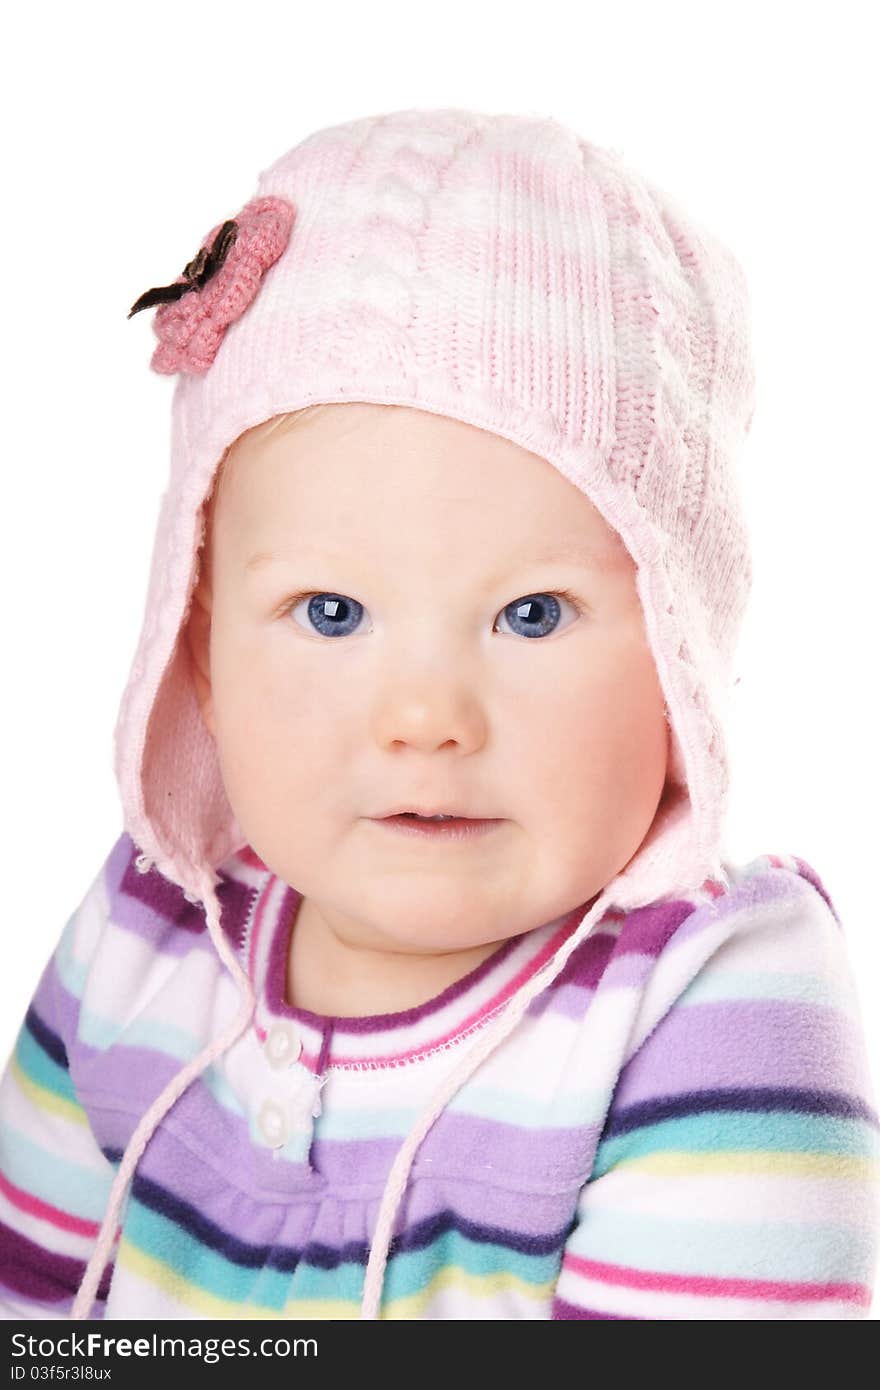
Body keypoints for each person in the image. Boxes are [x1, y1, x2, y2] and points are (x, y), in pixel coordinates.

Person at [1, 106, 877, 1322]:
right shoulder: (143, 933)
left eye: (530, 615)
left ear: (683, 651)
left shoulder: (707, 1008)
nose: (424, 718)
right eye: (329, 611)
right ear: (197, 643)